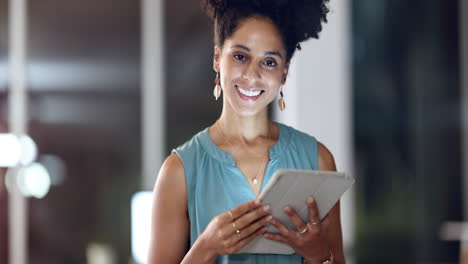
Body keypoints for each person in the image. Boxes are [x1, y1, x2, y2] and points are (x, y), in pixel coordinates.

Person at [147, 0, 345, 263]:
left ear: (284, 72)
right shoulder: (179, 171)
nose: (252, 75)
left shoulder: (318, 160)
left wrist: (318, 255)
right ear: (218, 58)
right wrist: (205, 247)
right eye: (240, 56)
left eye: (270, 62)